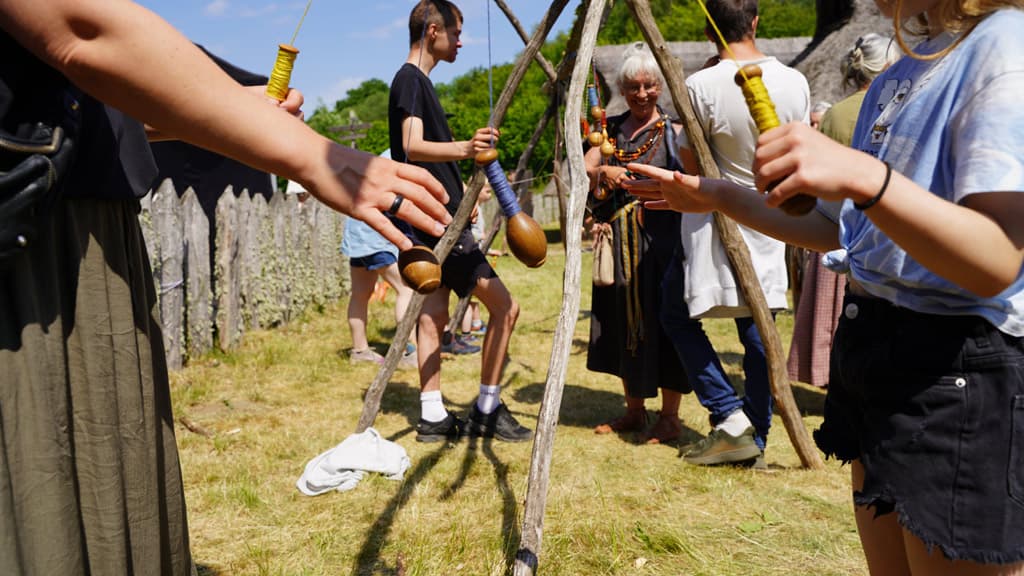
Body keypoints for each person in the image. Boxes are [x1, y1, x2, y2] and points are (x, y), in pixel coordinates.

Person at [0, 2, 450, 573]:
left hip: (93, 240)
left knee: (113, 503)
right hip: (36, 252)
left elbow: (99, 113)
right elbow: (81, 30)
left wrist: (240, 111)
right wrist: (315, 157)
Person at [626, 0, 1024, 571]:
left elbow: (999, 256)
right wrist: (714, 195)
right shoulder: (900, 73)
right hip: (873, 349)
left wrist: (865, 176)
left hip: (956, 365)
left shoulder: (1003, 44)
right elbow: (837, 227)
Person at [662, 0, 810, 466]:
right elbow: (799, 154)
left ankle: (731, 418)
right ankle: (754, 434)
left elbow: (690, 166)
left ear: (709, 32)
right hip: (773, 216)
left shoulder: (699, 84)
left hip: (717, 217)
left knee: (673, 310)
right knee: (756, 330)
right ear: (756, 22)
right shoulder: (795, 81)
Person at [389, 0, 532, 443]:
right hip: (438, 227)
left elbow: (424, 153)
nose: (461, 41)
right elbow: (412, 146)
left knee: (432, 316)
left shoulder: (416, 83)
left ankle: (433, 415)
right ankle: (487, 407)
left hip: (434, 219)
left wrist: (462, 195)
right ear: (433, 31)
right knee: (506, 308)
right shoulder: (410, 80)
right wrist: (467, 148)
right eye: (456, 32)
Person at [584, 42, 690, 445]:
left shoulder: (675, 130)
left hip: (664, 246)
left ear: (659, 86)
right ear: (622, 89)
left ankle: (670, 418)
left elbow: (688, 183)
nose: (641, 93)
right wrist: (601, 176)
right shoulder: (607, 130)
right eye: (633, 87)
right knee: (623, 323)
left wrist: (636, 183)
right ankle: (633, 410)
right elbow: (586, 174)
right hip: (620, 247)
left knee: (667, 322)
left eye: (648, 85)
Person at [787, 33, 900, 389]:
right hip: (883, 232)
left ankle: (830, 377)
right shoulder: (891, 107)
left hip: (838, 229)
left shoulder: (836, 112)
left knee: (831, 315)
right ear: (886, 67)